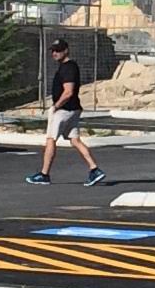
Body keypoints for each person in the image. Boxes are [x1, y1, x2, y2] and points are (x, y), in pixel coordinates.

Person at [29, 37, 104, 186]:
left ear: (66, 50)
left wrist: (56, 106)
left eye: (58, 50)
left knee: (51, 139)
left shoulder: (69, 67)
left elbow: (68, 91)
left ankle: (44, 174)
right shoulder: (66, 67)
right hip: (73, 109)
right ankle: (94, 169)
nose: (55, 53)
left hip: (64, 110)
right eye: (53, 51)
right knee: (74, 140)